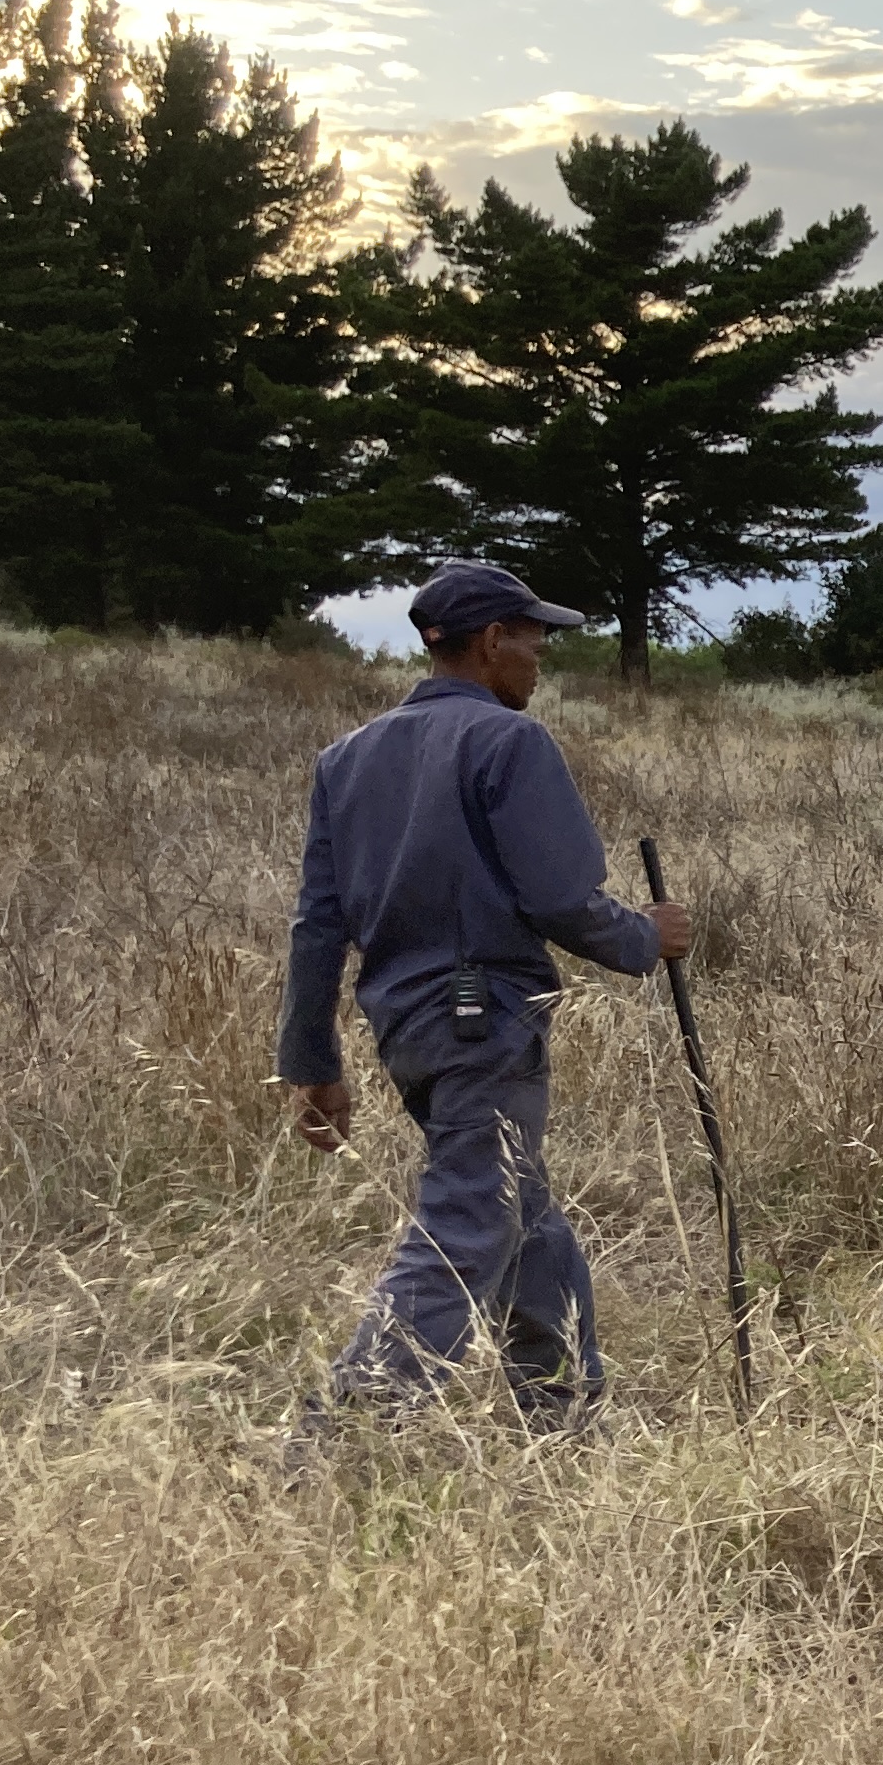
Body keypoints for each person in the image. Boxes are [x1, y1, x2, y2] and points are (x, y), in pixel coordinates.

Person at [278, 560, 695, 1420]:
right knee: (472, 1216)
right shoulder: (509, 742)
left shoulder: (344, 760)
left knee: (521, 1209)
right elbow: (558, 897)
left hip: (405, 1029)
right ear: (492, 640)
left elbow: (319, 925)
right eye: (534, 637)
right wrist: (644, 939)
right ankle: (353, 1425)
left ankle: (562, 1408)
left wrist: (311, 1061)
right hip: (486, 1021)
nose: (542, 656)